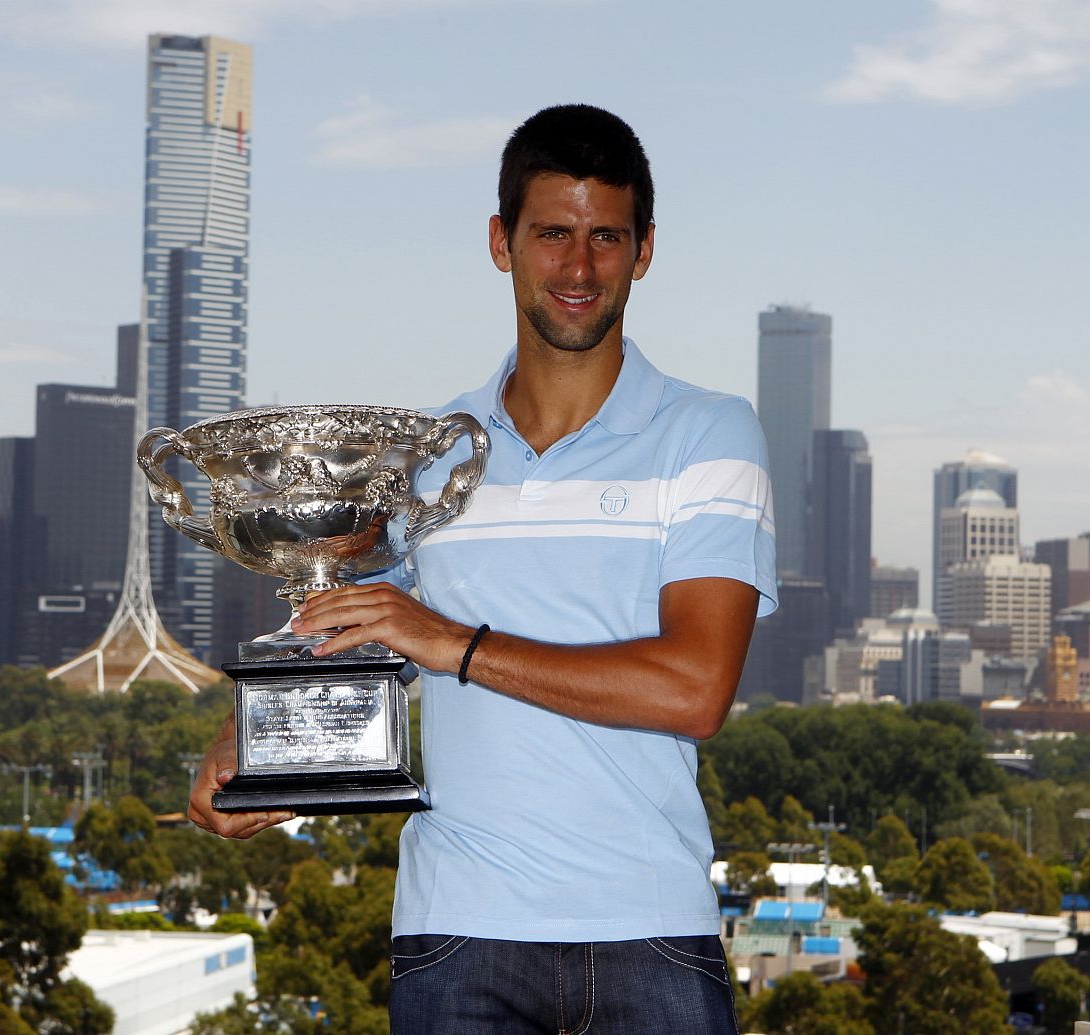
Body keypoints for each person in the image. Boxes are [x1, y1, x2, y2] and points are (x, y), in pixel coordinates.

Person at [189, 103, 776, 1033]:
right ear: (502, 243)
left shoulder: (710, 434)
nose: (578, 269)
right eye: (551, 235)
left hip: (651, 930)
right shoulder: (432, 452)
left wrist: (451, 641)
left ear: (645, 250)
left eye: (604, 238)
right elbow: (361, 626)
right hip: (457, 933)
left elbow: (695, 688)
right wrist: (254, 744)